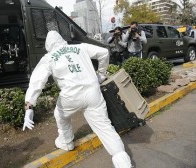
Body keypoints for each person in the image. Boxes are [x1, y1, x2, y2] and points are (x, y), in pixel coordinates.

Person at [23, 31, 132, 167]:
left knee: (60, 115)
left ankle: (66, 141)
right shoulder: (81, 47)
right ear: (62, 40)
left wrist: (29, 106)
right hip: (93, 93)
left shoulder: (49, 57)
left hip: (70, 96)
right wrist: (101, 74)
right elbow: (104, 52)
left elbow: (36, 82)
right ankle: (123, 162)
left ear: (48, 45)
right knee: (105, 128)